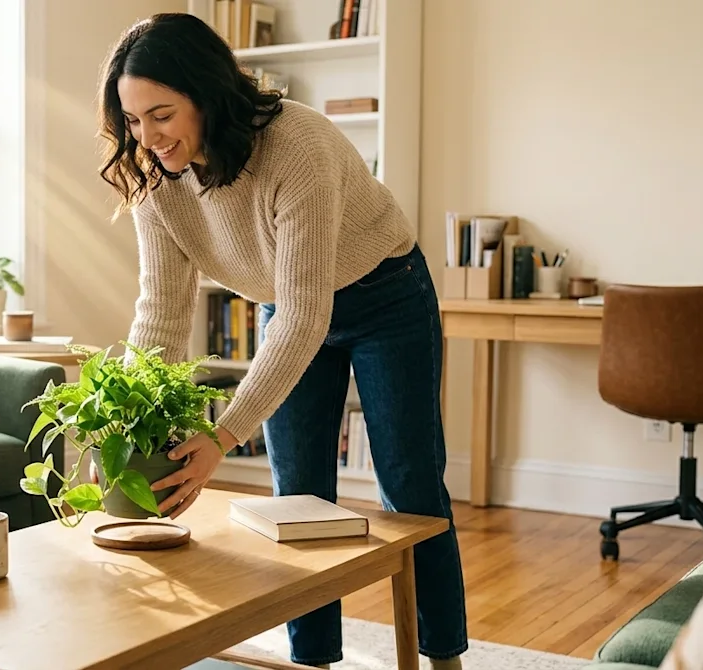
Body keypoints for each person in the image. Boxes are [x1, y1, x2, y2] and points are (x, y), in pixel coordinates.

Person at [91, 12, 469, 670]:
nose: (147, 137)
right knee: (297, 496)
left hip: (385, 296)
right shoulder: (154, 179)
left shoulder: (297, 144)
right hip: (288, 300)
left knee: (410, 488)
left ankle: (441, 658)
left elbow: (303, 314)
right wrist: (124, 426)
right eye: (132, 120)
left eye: (162, 115)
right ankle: (312, 660)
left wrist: (222, 435)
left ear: (206, 95)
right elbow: (162, 314)